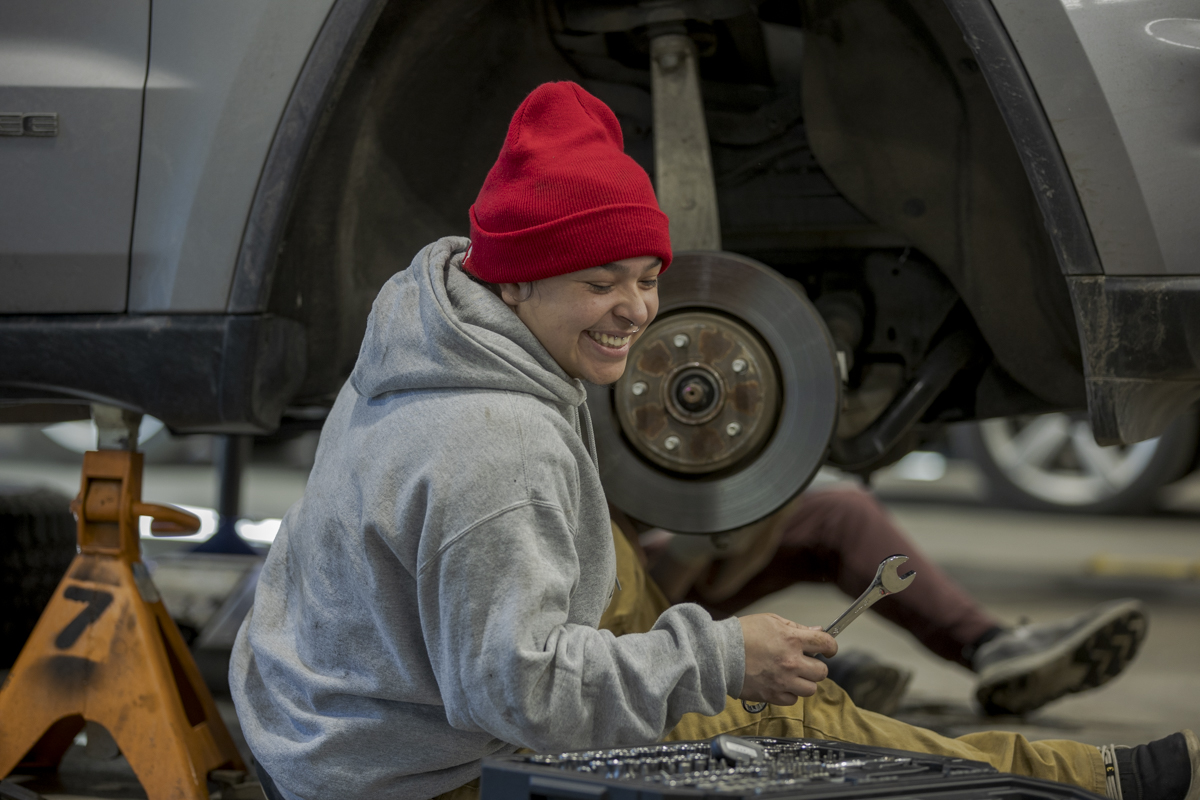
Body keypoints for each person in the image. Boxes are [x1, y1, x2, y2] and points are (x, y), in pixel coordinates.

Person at [228, 82, 1197, 800]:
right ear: (517, 279)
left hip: (335, 740)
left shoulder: (429, 333)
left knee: (777, 698)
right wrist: (719, 656)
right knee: (790, 739)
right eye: (600, 280)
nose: (636, 311)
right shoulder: (493, 442)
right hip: (415, 780)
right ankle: (1083, 782)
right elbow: (516, 696)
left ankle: (1077, 775)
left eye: (648, 277)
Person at [637, 487, 1147, 717]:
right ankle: (832, 677)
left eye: (647, 284)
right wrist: (687, 554)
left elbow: (723, 582)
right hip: (621, 603)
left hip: (668, 563)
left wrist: (755, 514)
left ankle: (993, 647)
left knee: (844, 512)